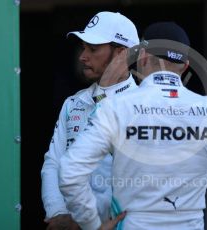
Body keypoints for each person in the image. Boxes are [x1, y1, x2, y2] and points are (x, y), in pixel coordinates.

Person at [59, 22, 207, 230]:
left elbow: (70, 171)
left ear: (142, 57)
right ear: (185, 66)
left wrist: (92, 224)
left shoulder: (116, 106)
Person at [41, 11, 139, 230]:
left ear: (121, 54)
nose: (82, 56)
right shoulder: (74, 103)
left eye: (93, 49)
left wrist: (87, 221)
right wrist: (58, 214)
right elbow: (53, 162)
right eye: (84, 47)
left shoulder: (144, 108)